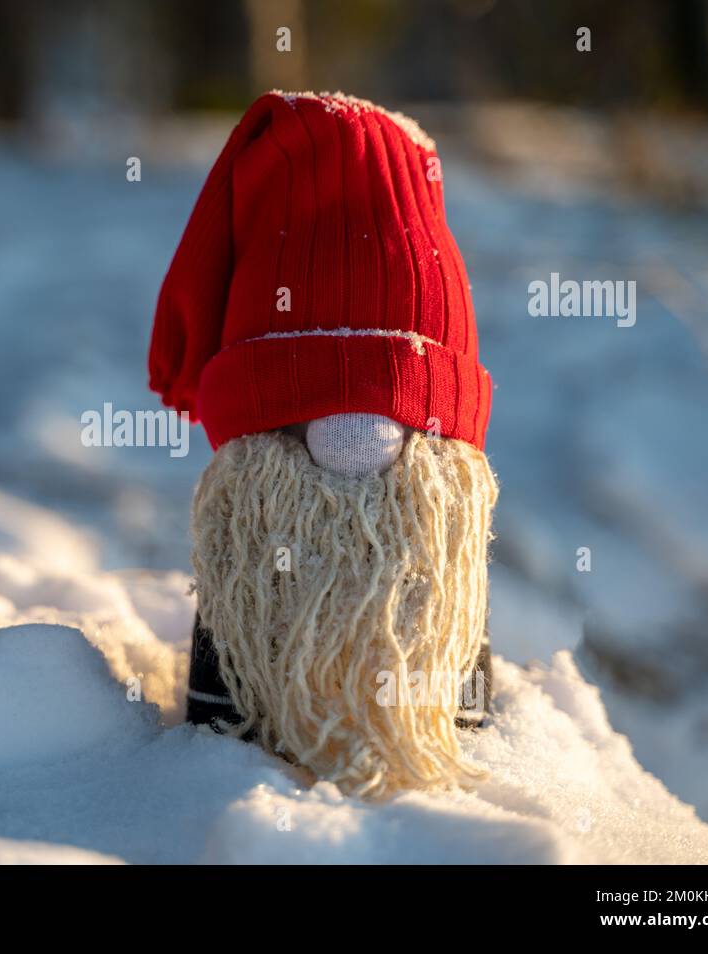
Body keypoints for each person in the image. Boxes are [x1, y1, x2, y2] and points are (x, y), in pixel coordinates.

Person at [149, 92, 498, 799]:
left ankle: (229, 723)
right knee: (432, 557)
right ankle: (450, 711)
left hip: (272, 433)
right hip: (427, 443)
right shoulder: (424, 227)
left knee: (247, 566)